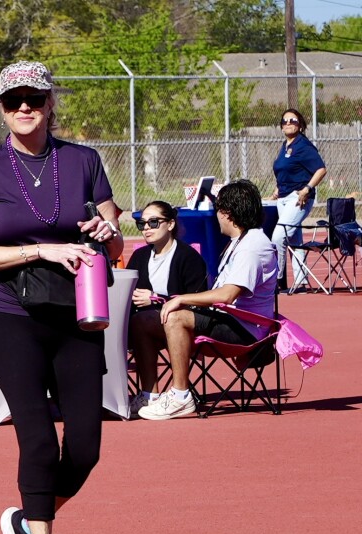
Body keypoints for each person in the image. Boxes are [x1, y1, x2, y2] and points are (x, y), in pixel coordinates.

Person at [0, 60, 124, 534]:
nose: (24, 107)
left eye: (34, 98)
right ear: (2, 109)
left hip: (76, 314)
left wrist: (108, 231)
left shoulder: (83, 161)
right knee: (36, 438)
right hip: (8, 316)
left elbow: (116, 245)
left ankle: (27, 522)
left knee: (86, 446)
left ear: (51, 102)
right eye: (13, 101)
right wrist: (39, 249)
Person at [138, 179, 279, 421]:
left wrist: (180, 299)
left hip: (245, 328)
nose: (217, 217)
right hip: (228, 319)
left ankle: (180, 396)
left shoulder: (253, 246)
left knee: (175, 317)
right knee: (142, 321)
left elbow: (227, 294)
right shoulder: (240, 241)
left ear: (228, 213)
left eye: (218, 211)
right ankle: (149, 394)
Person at [125, 200, 209, 417]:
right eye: (141, 224)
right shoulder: (140, 257)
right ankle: (148, 396)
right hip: (147, 326)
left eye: (153, 222)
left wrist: (155, 299)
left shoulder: (188, 257)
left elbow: (198, 300)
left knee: (145, 320)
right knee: (136, 321)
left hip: (185, 326)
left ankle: (179, 396)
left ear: (170, 224)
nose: (146, 228)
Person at [267, 108, 326, 292]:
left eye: (292, 120)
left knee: (278, 236)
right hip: (283, 198)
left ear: (299, 124)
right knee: (295, 240)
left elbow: (321, 169)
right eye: (284, 121)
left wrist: (307, 189)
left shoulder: (303, 146)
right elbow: (285, 170)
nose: (288, 123)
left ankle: (276, 280)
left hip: (298, 198)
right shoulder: (285, 146)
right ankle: (300, 282)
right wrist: (278, 189)